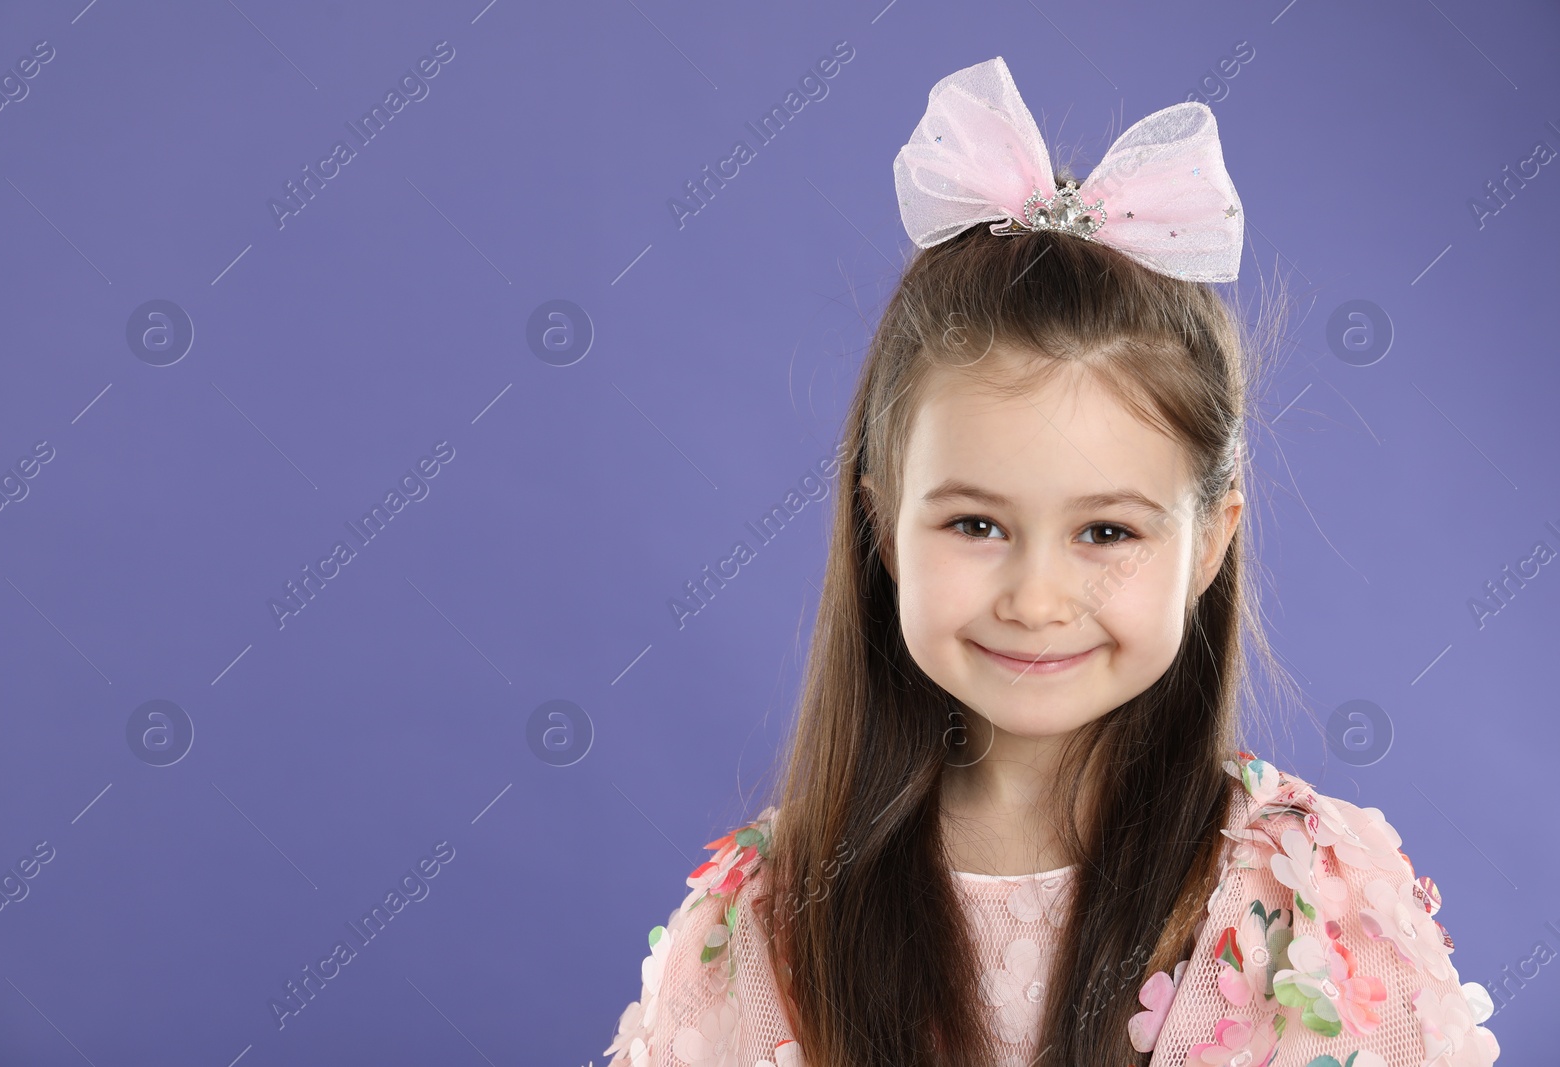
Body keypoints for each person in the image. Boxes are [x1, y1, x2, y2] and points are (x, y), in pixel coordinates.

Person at [602, 56, 1500, 1067]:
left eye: (1106, 532)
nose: (1035, 599)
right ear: (882, 523)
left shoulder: (1309, 901)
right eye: (976, 525)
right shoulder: (759, 922)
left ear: (1210, 537)